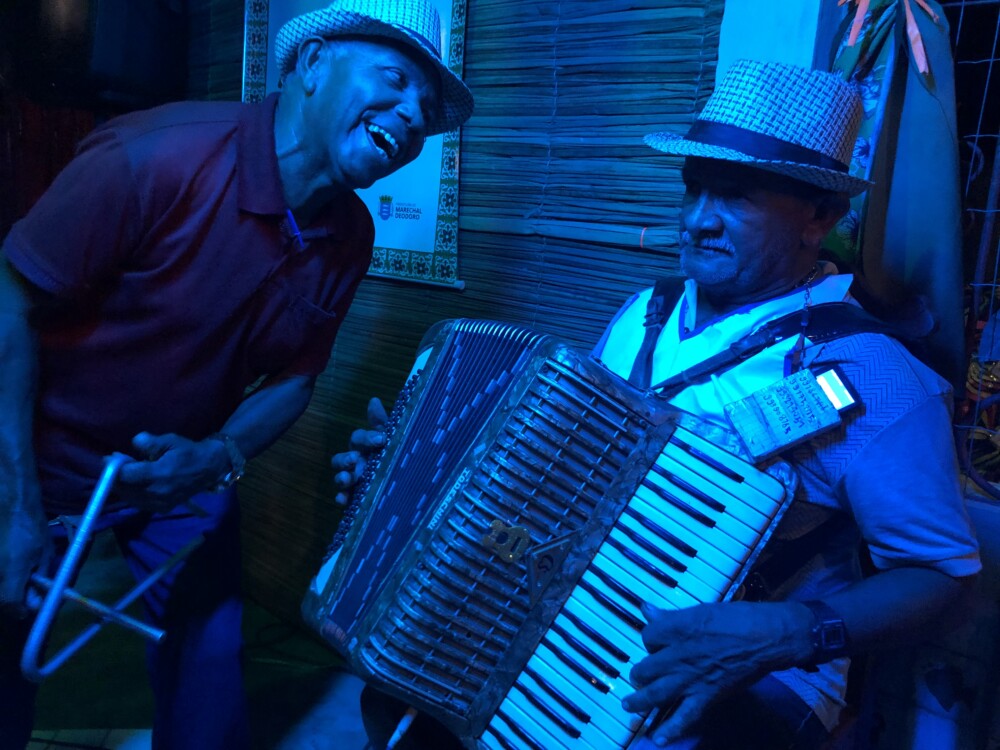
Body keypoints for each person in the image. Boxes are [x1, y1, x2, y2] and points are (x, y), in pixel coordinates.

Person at [331, 59, 979, 750]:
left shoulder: (871, 374)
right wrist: (416, 476)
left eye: (735, 197)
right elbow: (568, 474)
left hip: (756, 667)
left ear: (819, 216)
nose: (698, 220)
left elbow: (942, 576)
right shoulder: (646, 312)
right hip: (577, 615)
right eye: (694, 188)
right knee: (398, 700)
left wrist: (789, 633)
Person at [0, 0, 473, 748]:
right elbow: (9, 305)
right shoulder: (154, 155)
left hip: (178, 470)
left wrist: (217, 456)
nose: (413, 115)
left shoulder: (352, 235)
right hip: (28, 456)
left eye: (426, 109)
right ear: (312, 64)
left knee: (211, 662)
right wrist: (17, 504)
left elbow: (295, 381)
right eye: (394, 78)